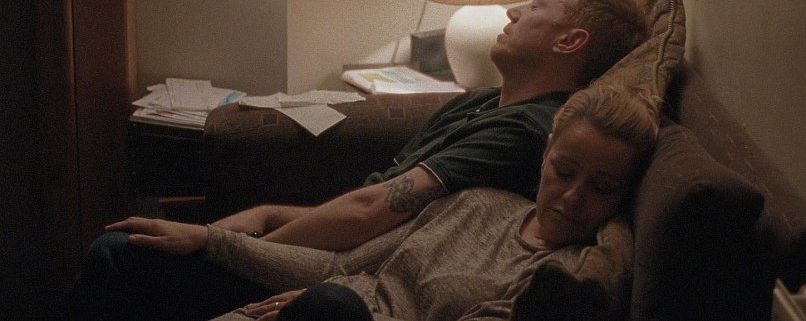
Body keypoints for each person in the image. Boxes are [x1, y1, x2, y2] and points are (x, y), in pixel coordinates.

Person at [63, 0, 648, 319]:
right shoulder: (480, 103)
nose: (515, 11)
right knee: (123, 249)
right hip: (333, 265)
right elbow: (383, 212)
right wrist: (264, 217)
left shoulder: (525, 132)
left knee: (120, 257)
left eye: (536, 6)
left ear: (570, 40)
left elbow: (373, 212)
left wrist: (228, 246)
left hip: (334, 284)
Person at [103, 84, 659, 321]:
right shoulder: (478, 203)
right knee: (123, 249)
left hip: (335, 315)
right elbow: (341, 265)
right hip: (315, 302)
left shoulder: (561, 275)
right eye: (565, 172)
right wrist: (212, 239)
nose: (573, 197)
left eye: (603, 188)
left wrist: (340, 304)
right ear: (546, 155)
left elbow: (339, 292)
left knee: (333, 308)